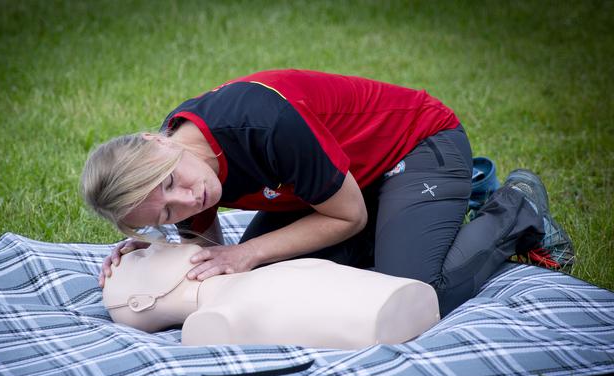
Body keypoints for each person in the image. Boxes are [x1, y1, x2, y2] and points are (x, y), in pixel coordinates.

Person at [82, 69, 574, 317]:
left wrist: (247, 251)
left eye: (171, 183)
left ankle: (515, 208)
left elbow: (347, 217)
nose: (191, 202)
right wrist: (159, 255)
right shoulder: (184, 168)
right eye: (166, 211)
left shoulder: (259, 122)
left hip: (419, 145)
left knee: (416, 294)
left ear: (155, 142)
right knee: (262, 286)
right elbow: (209, 251)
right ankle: (412, 219)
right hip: (345, 186)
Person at [102, 242, 440, 349]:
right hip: (385, 319)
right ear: (141, 301)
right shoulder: (211, 320)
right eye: (145, 257)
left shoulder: (247, 277)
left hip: (400, 297)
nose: (157, 245)